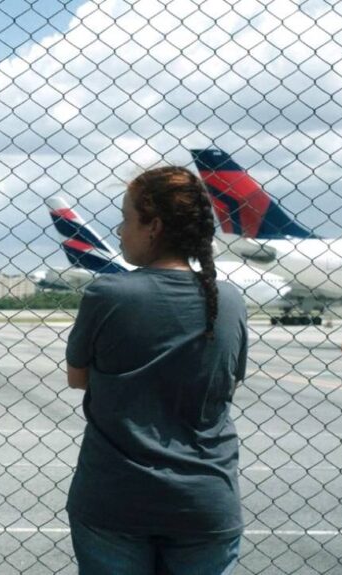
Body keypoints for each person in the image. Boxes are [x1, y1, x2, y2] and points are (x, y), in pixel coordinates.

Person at [64, 166, 249, 575]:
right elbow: (226, 382)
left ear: (154, 227)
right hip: (205, 500)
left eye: (126, 219)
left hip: (117, 499)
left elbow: (78, 378)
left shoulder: (107, 293)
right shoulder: (230, 300)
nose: (119, 231)